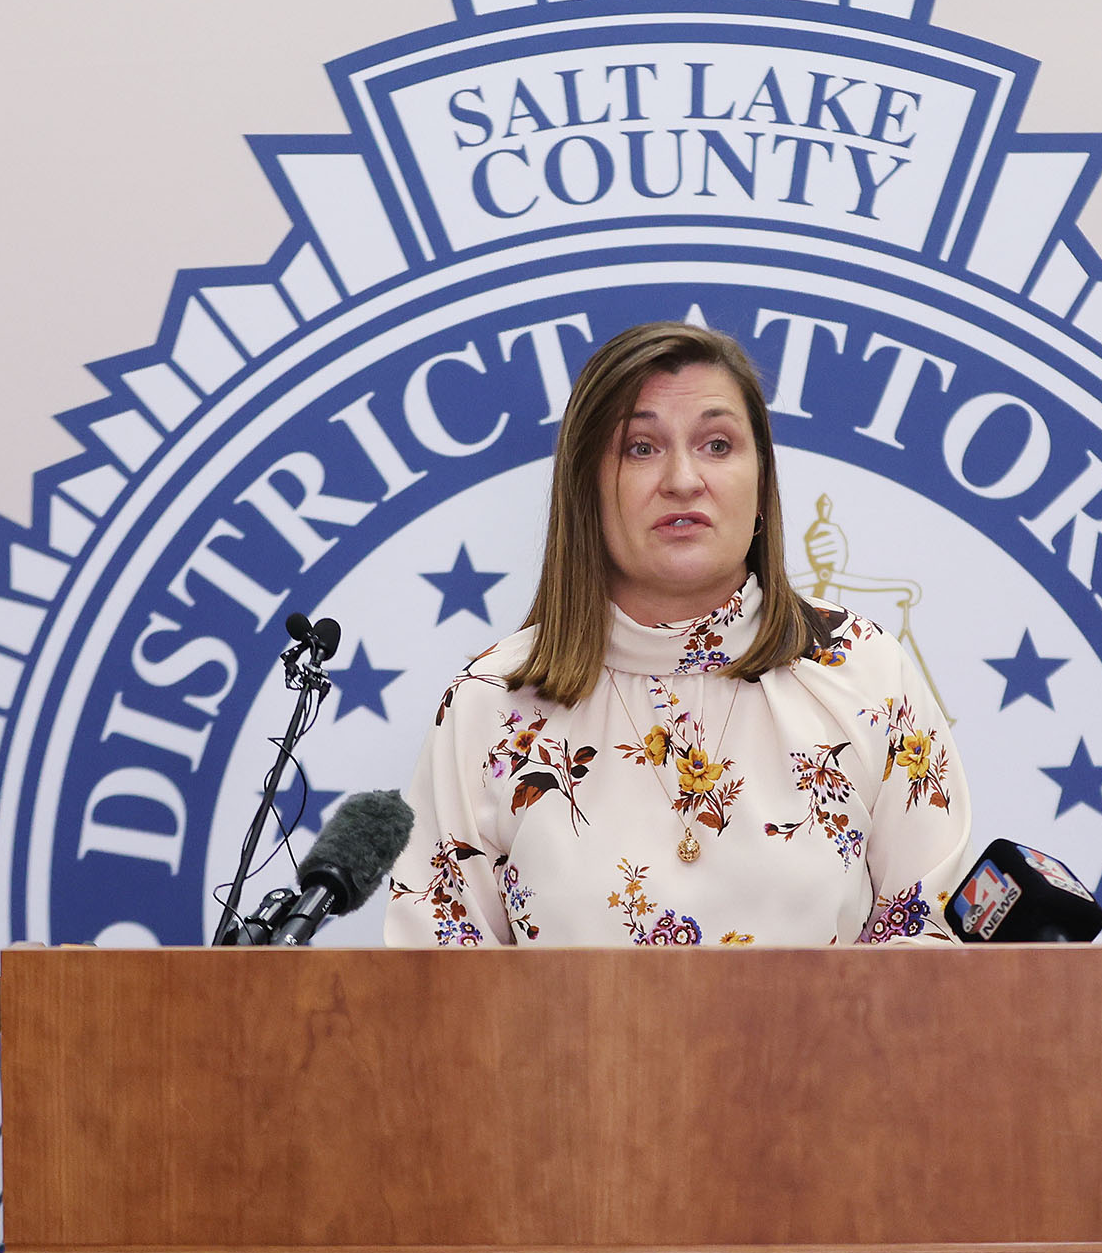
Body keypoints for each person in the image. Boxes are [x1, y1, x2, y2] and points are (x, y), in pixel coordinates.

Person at [383, 320, 978, 946]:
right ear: (585, 488)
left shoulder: (861, 670)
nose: (684, 479)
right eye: (641, 448)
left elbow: (930, 954)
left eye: (717, 445)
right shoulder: (491, 702)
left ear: (761, 485)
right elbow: (439, 985)